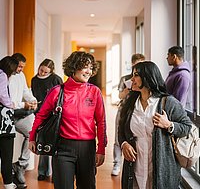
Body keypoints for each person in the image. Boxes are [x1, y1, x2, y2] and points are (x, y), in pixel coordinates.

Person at [29, 51, 107, 189]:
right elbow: (41, 116)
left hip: (87, 149)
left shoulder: (94, 92)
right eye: (85, 67)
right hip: (62, 148)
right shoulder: (57, 91)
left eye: (91, 68)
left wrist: (101, 149)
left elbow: (101, 122)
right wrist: (32, 138)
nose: (89, 71)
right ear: (74, 68)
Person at [118, 61, 192, 189]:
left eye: (136, 75)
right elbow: (121, 129)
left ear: (147, 77)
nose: (132, 79)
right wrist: (124, 144)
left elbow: (187, 127)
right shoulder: (130, 103)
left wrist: (169, 125)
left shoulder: (168, 102)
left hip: (161, 168)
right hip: (135, 167)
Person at [111, 53, 145, 176]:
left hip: (137, 110)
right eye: (136, 65)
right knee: (118, 137)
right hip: (124, 109)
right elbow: (120, 96)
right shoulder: (125, 78)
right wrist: (127, 90)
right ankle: (117, 163)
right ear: (132, 64)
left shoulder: (145, 79)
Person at [8, 53, 37, 188]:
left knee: (33, 133)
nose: (20, 69)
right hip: (7, 115)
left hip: (19, 113)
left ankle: (20, 165)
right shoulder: (5, 76)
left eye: (22, 67)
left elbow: (25, 90)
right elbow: (9, 101)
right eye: (19, 66)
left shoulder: (21, 75)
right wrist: (23, 105)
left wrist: (32, 100)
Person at [31, 58, 63, 181]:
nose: (42, 73)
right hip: (40, 114)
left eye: (45, 72)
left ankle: (57, 174)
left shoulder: (56, 79)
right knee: (43, 143)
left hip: (54, 115)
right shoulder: (34, 80)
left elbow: (61, 96)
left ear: (51, 71)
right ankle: (43, 171)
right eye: (41, 70)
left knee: (55, 144)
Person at [0, 56, 18, 189]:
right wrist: (11, 104)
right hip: (3, 121)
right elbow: (3, 95)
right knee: (7, 153)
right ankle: (8, 183)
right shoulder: (2, 75)